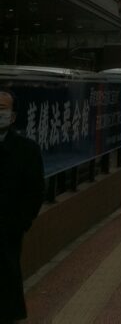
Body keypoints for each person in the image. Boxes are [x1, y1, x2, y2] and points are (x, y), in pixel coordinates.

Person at [0, 90, 45, 323]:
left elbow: (35, 192)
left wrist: (19, 223)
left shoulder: (27, 150)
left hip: (7, 229)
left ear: (13, 116)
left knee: (7, 280)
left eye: (2, 109)